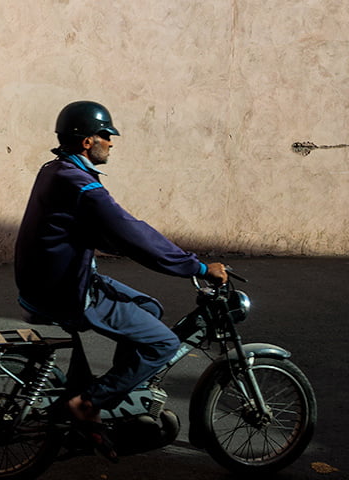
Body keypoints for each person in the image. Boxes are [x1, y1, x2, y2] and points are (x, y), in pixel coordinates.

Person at [14, 100, 229, 430]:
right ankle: (88, 402)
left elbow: (94, 229)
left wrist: (128, 245)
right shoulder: (83, 186)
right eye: (106, 136)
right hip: (66, 290)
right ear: (88, 141)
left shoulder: (55, 171)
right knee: (164, 343)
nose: (112, 142)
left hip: (48, 281)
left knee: (149, 307)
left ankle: (121, 393)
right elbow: (132, 231)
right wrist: (196, 267)